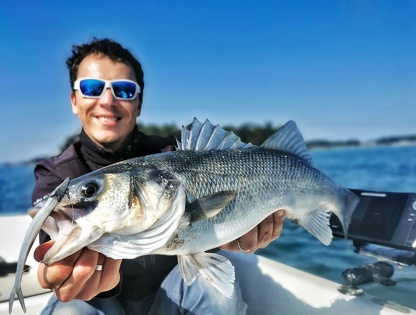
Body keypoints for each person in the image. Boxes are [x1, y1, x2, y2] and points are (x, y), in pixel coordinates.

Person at [32, 37, 285, 314]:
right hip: (101, 303)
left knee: (217, 294)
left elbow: (210, 225)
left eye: (124, 90)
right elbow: (53, 247)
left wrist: (235, 233)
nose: (107, 100)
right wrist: (64, 272)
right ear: (74, 99)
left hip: (173, 292)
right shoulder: (56, 175)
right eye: (91, 88)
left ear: (138, 103)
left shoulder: (172, 154)